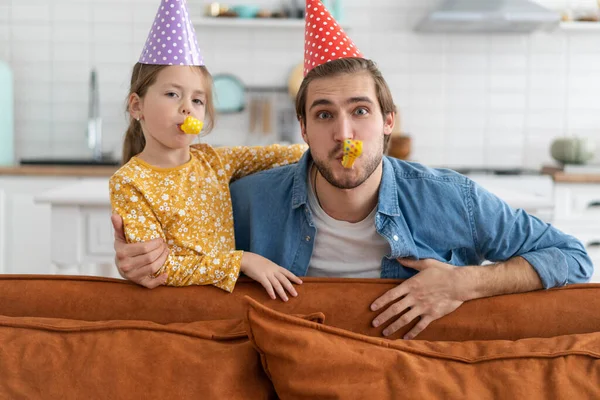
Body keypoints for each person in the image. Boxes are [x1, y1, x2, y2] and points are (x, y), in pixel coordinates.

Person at [113, 0, 593, 339]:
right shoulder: (246, 200)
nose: (344, 133)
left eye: (360, 111)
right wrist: (140, 263)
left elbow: (572, 257)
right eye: (324, 114)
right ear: (302, 127)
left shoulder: (449, 198)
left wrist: (466, 282)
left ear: (388, 122)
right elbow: (183, 263)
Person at [109, 0, 306, 301]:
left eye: (197, 100)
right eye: (173, 94)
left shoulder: (213, 160)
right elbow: (158, 270)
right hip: (174, 309)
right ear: (137, 106)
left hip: (225, 306)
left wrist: (320, 144)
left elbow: (279, 154)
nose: (187, 107)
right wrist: (243, 261)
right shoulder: (129, 182)